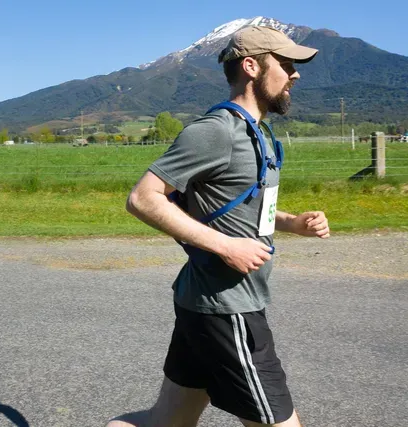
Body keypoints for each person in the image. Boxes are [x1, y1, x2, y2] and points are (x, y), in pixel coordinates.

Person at [107, 25, 330, 427]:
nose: (295, 74)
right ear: (252, 66)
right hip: (228, 310)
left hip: (206, 304)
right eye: (286, 64)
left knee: (168, 422)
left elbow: (241, 208)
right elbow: (143, 198)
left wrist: (292, 223)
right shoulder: (216, 131)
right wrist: (227, 247)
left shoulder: (257, 134)